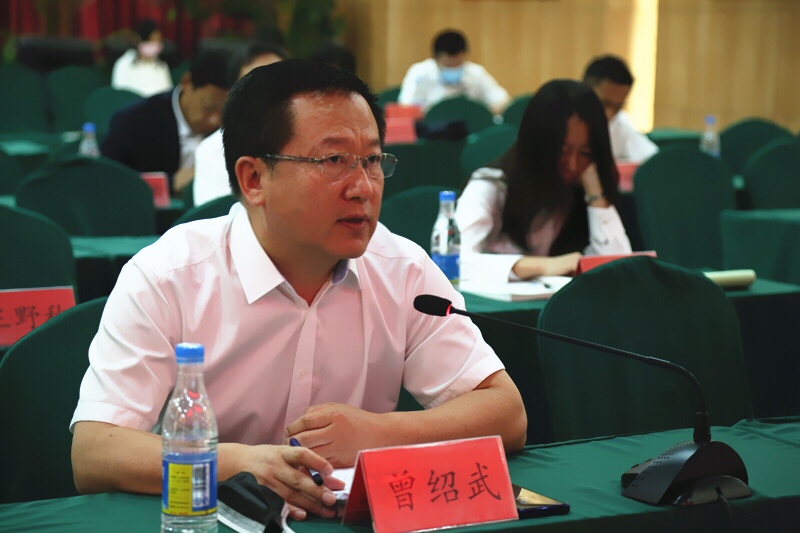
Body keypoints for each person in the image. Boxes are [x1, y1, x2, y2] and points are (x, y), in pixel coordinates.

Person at [71, 59, 527, 521]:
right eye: (334, 161)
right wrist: (238, 464)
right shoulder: (169, 277)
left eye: (372, 160)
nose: (363, 187)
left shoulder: (402, 269)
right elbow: (95, 451)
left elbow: (506, 413)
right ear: (254, 180)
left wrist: (380, 433)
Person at [455, 79, 632, 284]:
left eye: (585, 153)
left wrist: (595, 192)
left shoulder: (580, 188)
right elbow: (454, 261)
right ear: (538, 145)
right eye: (563, 151)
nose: (573, 165)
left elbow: (618, 266)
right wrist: (540, 266)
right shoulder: (490, 187)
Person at [101, 48, 232, 194]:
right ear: (187, 83)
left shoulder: (234, 126)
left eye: (225, 111)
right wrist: (170, 182)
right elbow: (108, 179)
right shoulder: (134, 121)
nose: (216, 120)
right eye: (208, 106)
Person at [193, 42, 288, 206]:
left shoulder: (315, 142)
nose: (269, 94)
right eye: (256, 86)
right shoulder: (213, 150)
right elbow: (216, 214)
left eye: (278, 83)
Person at [397, 29, 510, 114]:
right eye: (448, 65)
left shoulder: (476, 73)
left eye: (457, 64)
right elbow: (406, 107)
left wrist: (481, 112)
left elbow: (502, 101)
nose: (453, 68)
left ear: (465, 55)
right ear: (435, 58)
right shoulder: (420, 72)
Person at [582, 55, 658, 164]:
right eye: (604, 103)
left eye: (618, 107)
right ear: (583, 91)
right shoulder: (560, 122)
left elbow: (653, 161)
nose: (609, 114)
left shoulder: (620, 124)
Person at [111, 19, 173, 98]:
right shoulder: (123, 64)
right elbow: (118, 96)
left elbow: (167, 96)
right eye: (153, 40)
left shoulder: (162, 67)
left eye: (159, 41)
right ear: (141, 40)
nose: (157, 45)